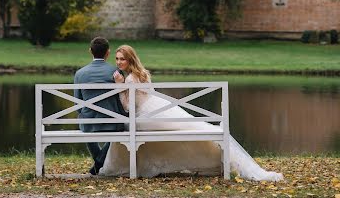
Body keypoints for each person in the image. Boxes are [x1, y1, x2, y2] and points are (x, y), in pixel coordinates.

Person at [99, 44, 283, 181]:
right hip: (157, 107)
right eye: (116, 59)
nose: (118, 62)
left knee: (126, 126)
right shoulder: (141, 74)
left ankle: (130, 167)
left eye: (122, 59)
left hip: (148, 115)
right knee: (195, 126)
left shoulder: (129, 79)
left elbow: (128, 108)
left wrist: (119, 87)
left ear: (130, 59)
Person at [73, 37, 127, 175]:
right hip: (113, 123)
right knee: (116, 132)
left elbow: (77, 103)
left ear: (90, 51)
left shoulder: (80, 74)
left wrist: (85, 113)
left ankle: (98, 162)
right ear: (108, 53)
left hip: (89, 123)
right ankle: (100, 162)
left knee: (86, 127)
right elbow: (122, 100)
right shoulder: (116, 72)